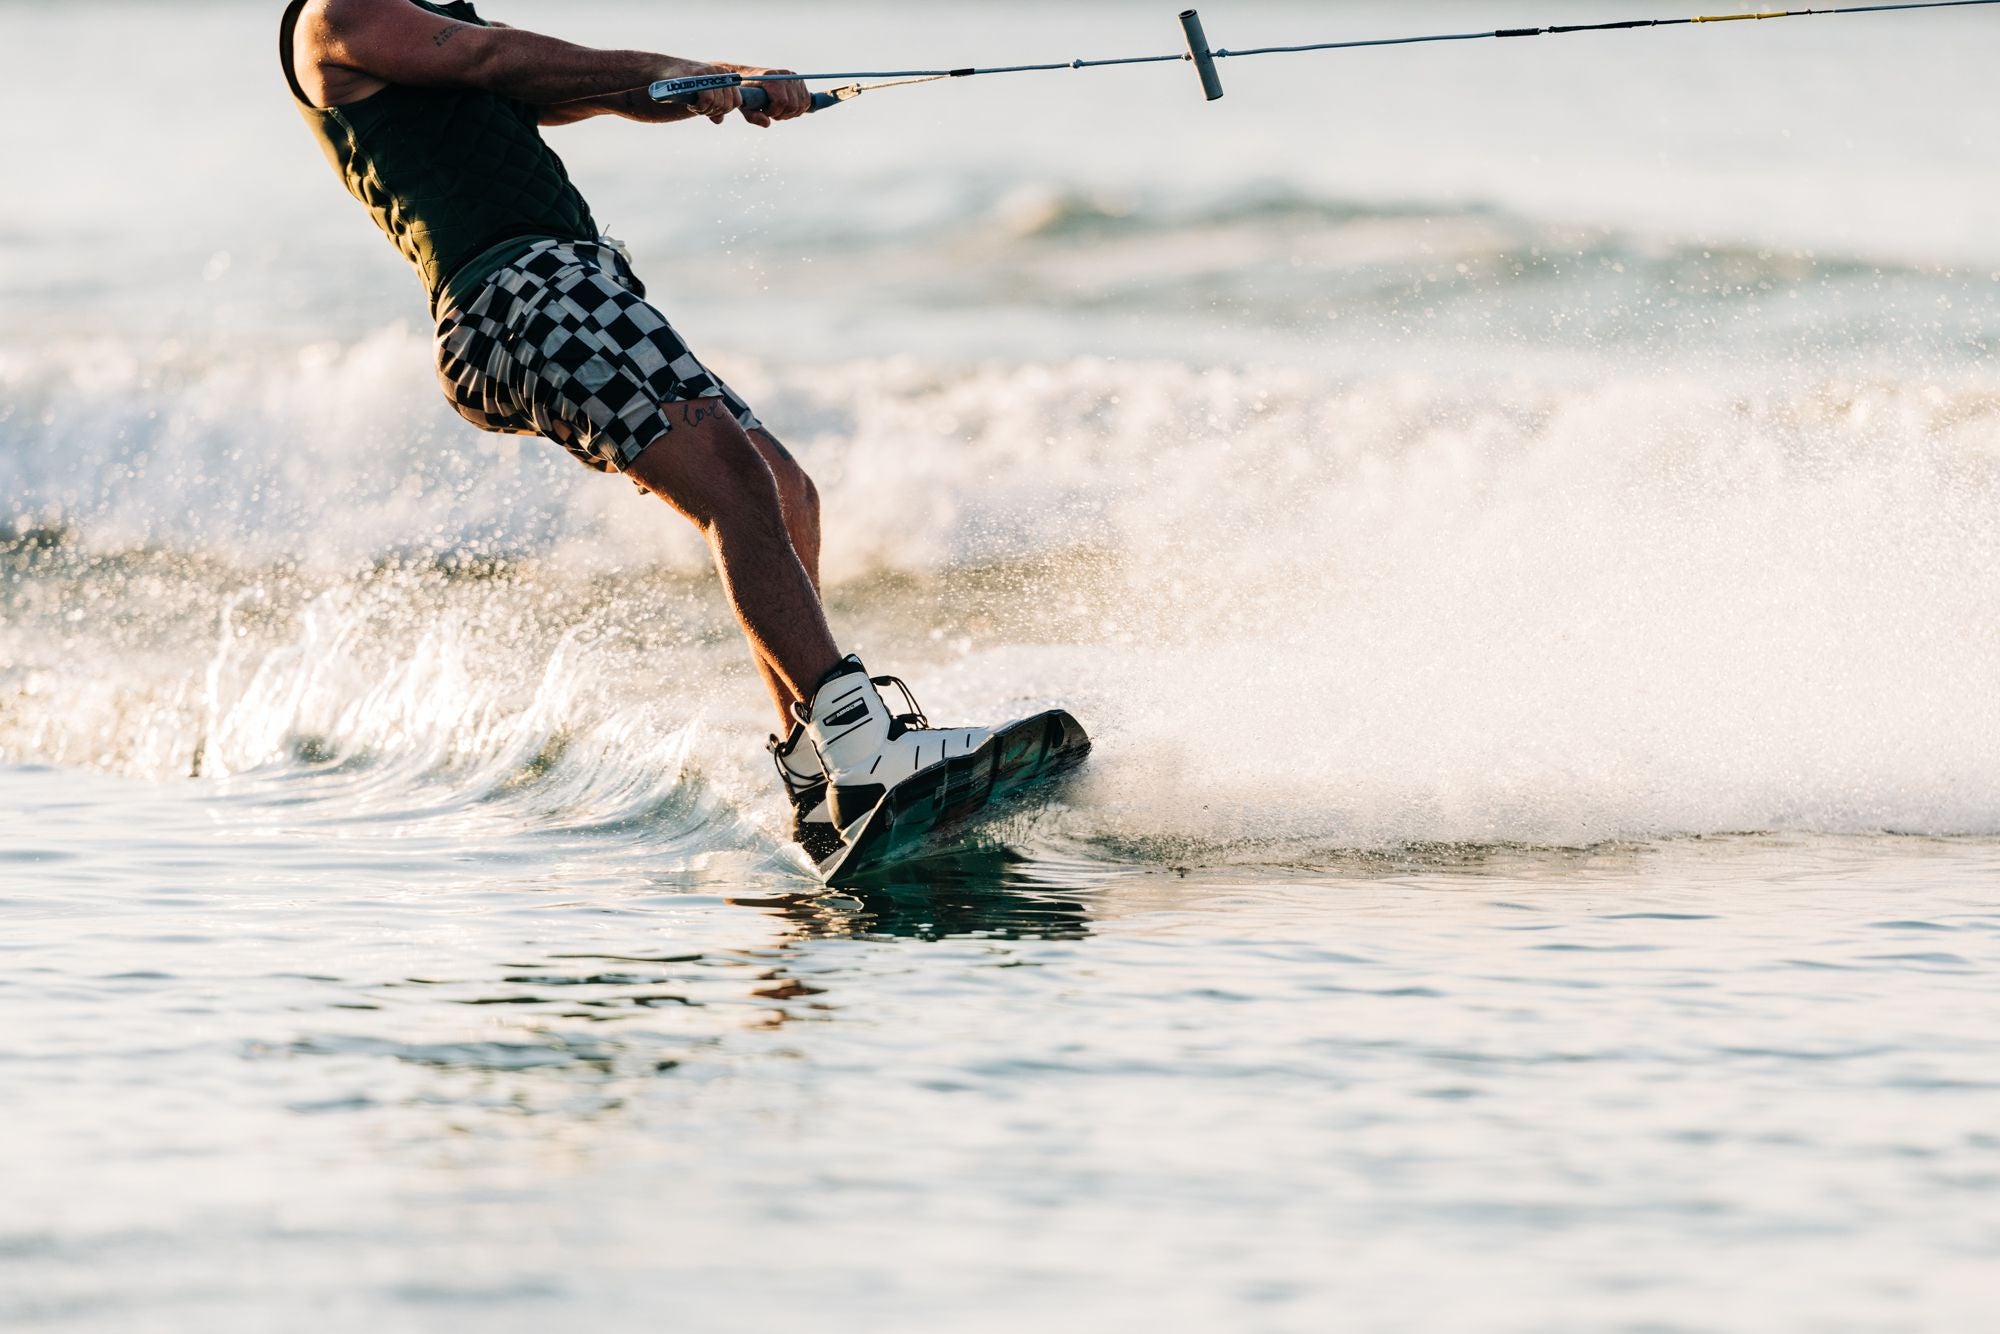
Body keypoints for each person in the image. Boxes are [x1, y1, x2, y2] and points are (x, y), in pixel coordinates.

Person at [279, 0, 1013, 866]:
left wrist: (712, 85)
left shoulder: (442, 18)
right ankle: (863, 744)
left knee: (782, 491)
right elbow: (492, 61)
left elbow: (576, 85)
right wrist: (690, 69)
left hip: (572, 284)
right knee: (732, 484)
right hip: (516, 296)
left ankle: (822, 780)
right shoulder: (339, 13)